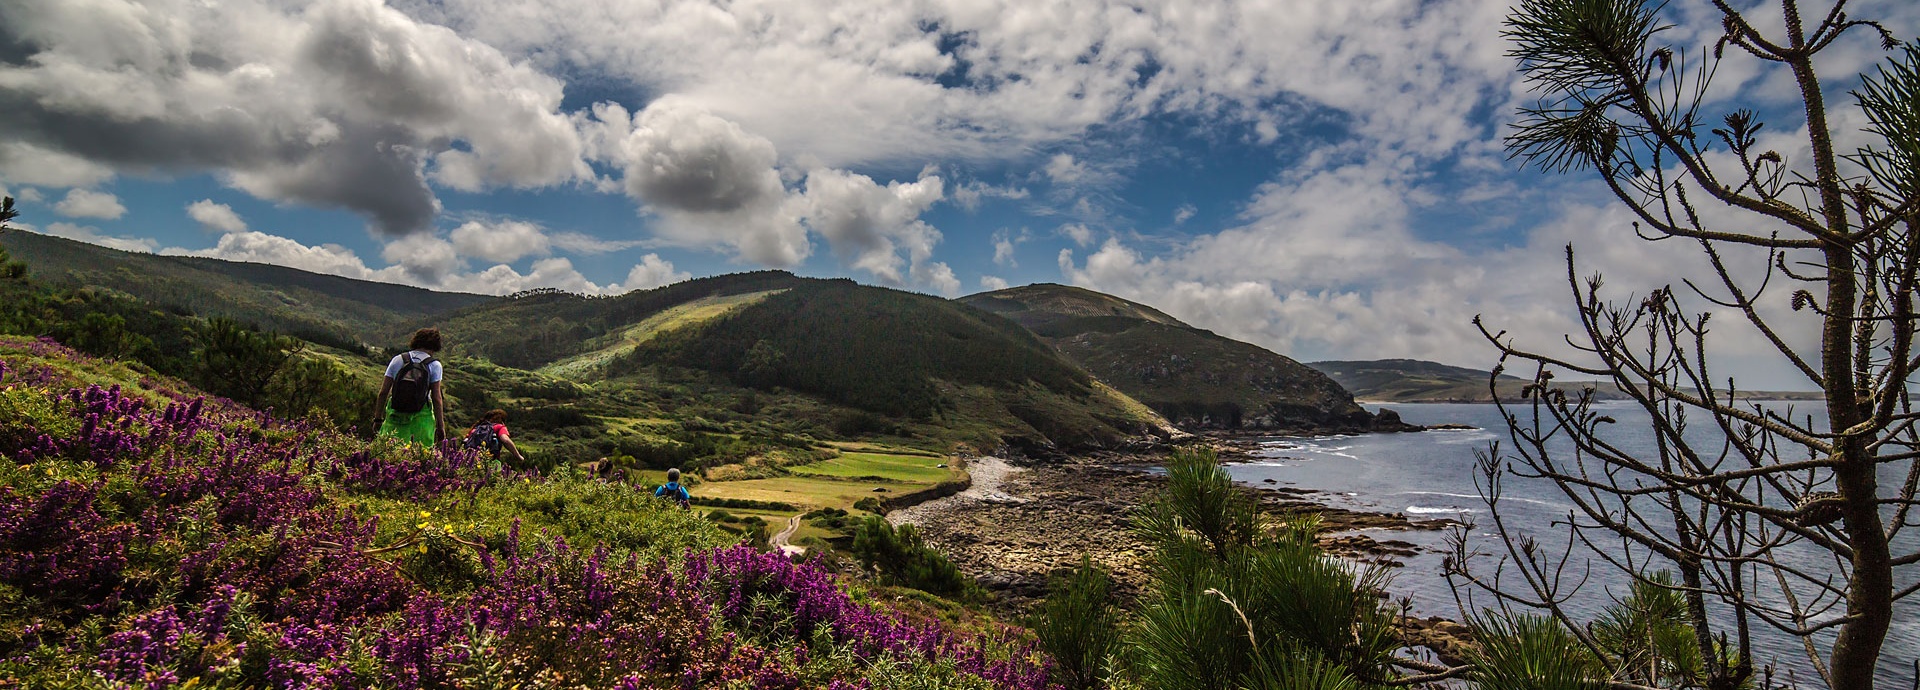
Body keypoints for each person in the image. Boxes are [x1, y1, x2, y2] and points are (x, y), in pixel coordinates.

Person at [376, 328, 446, 446]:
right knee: (420, 455)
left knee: (389, 451)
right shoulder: (434, 365)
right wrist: (440, 426)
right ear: (435, 346)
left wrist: (378, 419)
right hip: (422, 416)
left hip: (396, 414)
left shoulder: (397, 360)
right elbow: (436, 397)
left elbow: (383, 392)